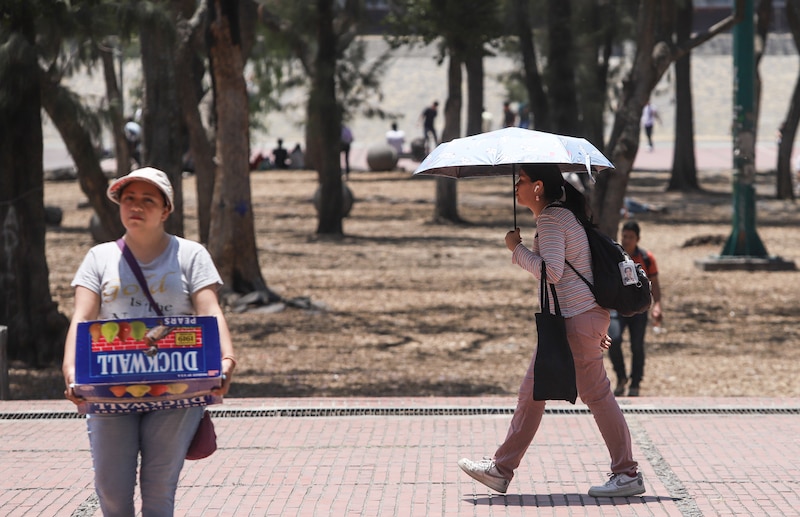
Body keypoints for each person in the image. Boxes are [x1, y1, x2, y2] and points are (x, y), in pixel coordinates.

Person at [457, 163, 646, 498]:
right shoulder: (560, 216)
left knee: (534, 394)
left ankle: (502, 470)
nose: (517, 185)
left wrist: (516, 250)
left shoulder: (552, 219)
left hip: (575, 320)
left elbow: (553, 272)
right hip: (584, 319)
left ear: (539, 186)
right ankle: (625, 471)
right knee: (588, 396)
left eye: (523, 180)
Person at [62, 167, 236, 516]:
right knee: (112, 491)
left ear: (165, 210)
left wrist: (228, 359)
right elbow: (82, 317)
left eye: (147, 200)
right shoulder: (100, 257)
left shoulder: (191, 255)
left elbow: (209, 310)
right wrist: (69, 370)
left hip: (177, 388)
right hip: (109, 387)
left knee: (158, 490)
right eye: (129, 199)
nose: (136, 207)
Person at [608, 221, 662, 397]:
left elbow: (655, 285)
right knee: (613, 340)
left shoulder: (647, 258)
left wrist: (658, 306)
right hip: (618, 308)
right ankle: (621, 377)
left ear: (637, 239)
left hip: (639, 309)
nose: (627, 240)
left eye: (631, 237)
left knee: (637, 346)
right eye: (624, 236)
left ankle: (635, 383)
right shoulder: (613, 255)